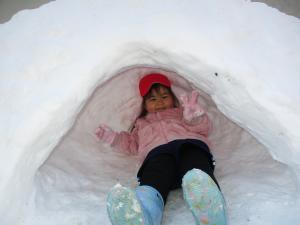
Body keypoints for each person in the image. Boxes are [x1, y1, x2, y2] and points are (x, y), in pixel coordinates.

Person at [95, 73, 227, 225]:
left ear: (173, 97)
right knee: (154, 175)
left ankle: (209, 207)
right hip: (158, 155)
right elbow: (131, 144)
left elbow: (204, 129)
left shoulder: (182, 113)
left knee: (195, 162)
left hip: (189, 145)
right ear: (144, 104)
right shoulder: (141, 124)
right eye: (153, 99)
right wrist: (113, 138)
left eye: (165, 96)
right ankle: (144, 213)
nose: (160, 102)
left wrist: (195, 117)